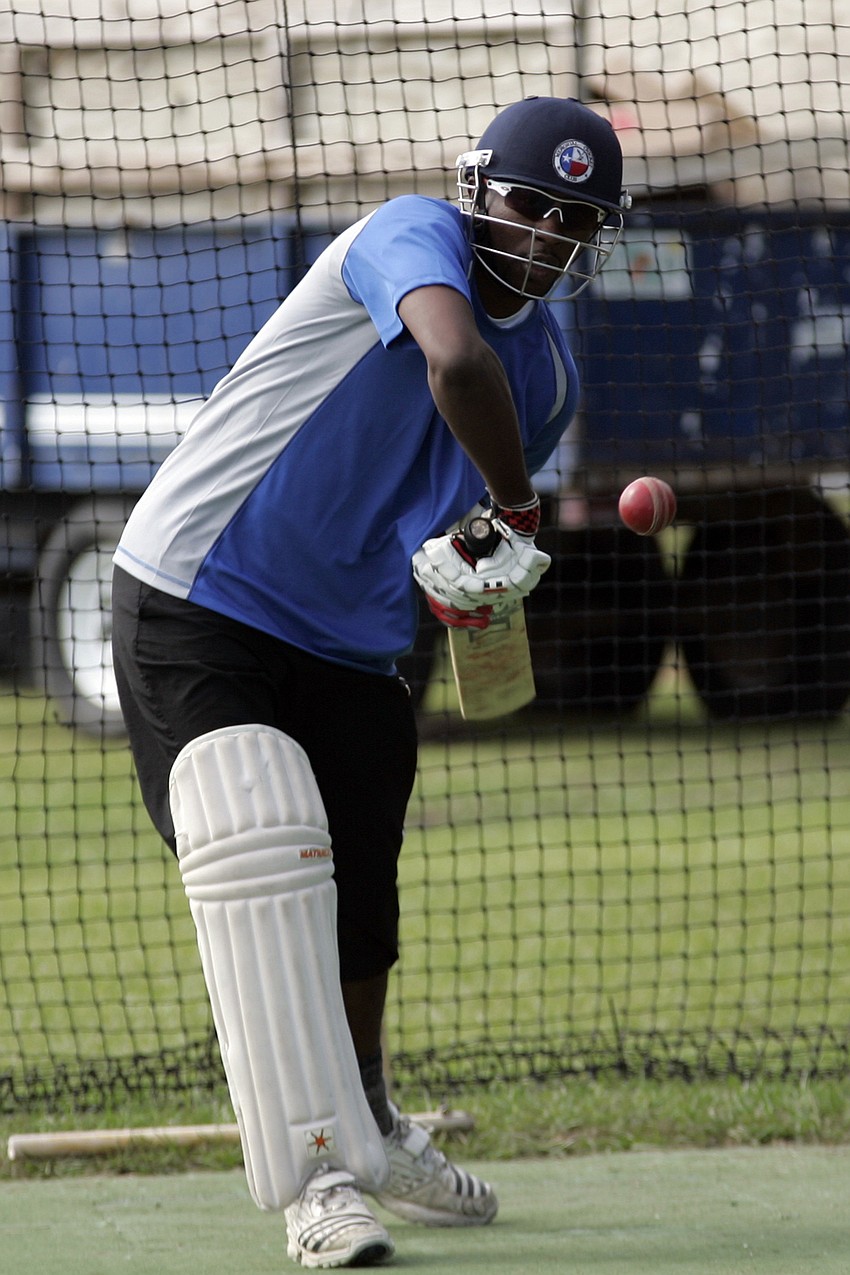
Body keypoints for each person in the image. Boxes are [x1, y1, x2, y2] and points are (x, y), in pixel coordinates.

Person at [111, 95, 629, 1269]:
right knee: (263, 853)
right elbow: (452, 363)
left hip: (349, 642)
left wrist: (472, 578)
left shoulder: (545, 378)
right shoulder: (407, 235)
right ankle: (314, 1177)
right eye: (529, 204)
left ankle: (375, 1126)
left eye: (576, 221)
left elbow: (447, 537)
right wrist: (524, 509)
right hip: (201, 591)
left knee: (361, 903)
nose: (547, 235)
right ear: (475, 191)